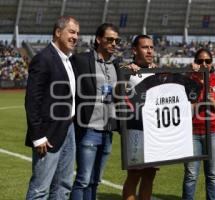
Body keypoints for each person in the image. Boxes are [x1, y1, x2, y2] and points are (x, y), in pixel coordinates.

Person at [25, 16, 79, 199]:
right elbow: (32, 100)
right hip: (48, 134)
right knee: (40, 189)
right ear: (58, 32)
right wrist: (38, 136)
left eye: (77, 33)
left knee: (63, 186)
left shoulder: (69, 60)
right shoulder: (43, 58)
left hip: (69, 128)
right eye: (72, 32)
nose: (76, 37)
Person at [70, 23, 120, 200]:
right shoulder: (81, 60)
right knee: (83, 179)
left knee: (95, 181)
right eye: (110, 39)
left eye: (117, 40)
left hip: (108, 131)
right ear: (99, 39)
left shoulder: (117, 65)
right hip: (89, 129)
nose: (114, 43)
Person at [182, 48, 215, 200]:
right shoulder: (188, 80)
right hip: (192, 133)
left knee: (212, 175)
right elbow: (183, 109)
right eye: (200, 61)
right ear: (195, 62)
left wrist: (212, 101)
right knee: (191, 175)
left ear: (211, 63)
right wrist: (201, 102)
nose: (204, 63)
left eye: (207, 61)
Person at [122, 35, 158, 200]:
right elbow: (118, 97)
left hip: (155, 131)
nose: (149, 50)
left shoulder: (157, 71)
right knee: (134, 174)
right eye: (145, 47)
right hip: (135, 130)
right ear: (135, 50)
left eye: (151, 47)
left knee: (150, 174)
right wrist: (126, 73)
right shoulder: (127, 71)